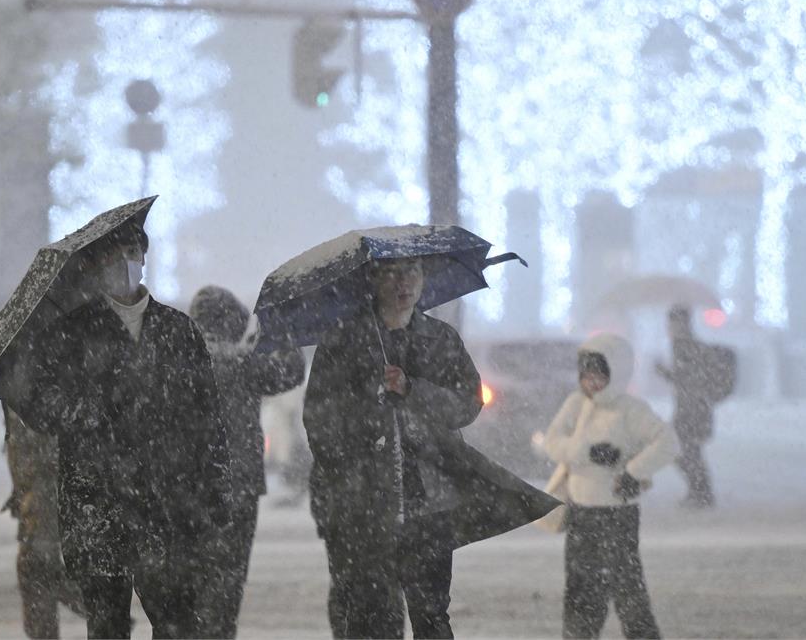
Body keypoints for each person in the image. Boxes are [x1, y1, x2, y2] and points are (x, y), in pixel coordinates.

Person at [304, 257, 559, 639]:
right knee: (370, 615)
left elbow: (467, 403)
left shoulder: (440, 338)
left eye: (413, 272)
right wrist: (365, 426)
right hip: (366, 503)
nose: (403, 282)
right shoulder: (344, 340)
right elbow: (320, 419)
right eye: (391, 272)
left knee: (432, 614)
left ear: (424, 279)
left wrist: (413, 390)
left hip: (429, 499)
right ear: (373, 279)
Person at [20, 222, 232, 639]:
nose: (123, 262)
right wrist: (92, 411)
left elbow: (207, 417)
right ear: (95, 265)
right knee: (107, 624)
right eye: (111, 254)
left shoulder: (178, 329)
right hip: (97, 503)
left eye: (132, 251)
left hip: (168, 502)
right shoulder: (72, 332)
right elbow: (43, 407)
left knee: (177, 622)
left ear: (144, 258)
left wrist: (215, 489)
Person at [543, 333, 679, 639]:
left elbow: (668, 443)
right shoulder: (576, 404)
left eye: (599, 375)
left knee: (627, 587)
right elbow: (552, 443)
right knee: (580, 587)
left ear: (615, 373)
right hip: (581, 514)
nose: (591, 383)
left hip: (617, 515)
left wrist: (633, 471)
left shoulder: (631, 410)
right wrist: (587, 452)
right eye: (586, 375)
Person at [188, 285, 305, 638]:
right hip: (237, 488)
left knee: (189, 593)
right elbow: (291, 371)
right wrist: (278, 329)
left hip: (188, 490)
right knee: (225, 589)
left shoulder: (179, 358)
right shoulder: (240, 363)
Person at [1, 402, 84, 639]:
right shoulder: (20, 397)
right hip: (36, 494)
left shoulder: (34, 395)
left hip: (44, 494)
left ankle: (92, 603)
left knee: (36, 565)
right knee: (36, 566)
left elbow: (38, 451)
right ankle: (93, 604)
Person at [656, 305, 724, 508]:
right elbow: (686, 379)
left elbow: (688, 379)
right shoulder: (683, 345)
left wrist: (664, 373)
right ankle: (699, 491)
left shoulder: (686, 346)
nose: (670, 327)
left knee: (683, 450)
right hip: (691, 407)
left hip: (693, 409)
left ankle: (701, 492)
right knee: (686, 450)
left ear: (684, 324)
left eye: (673, 323)